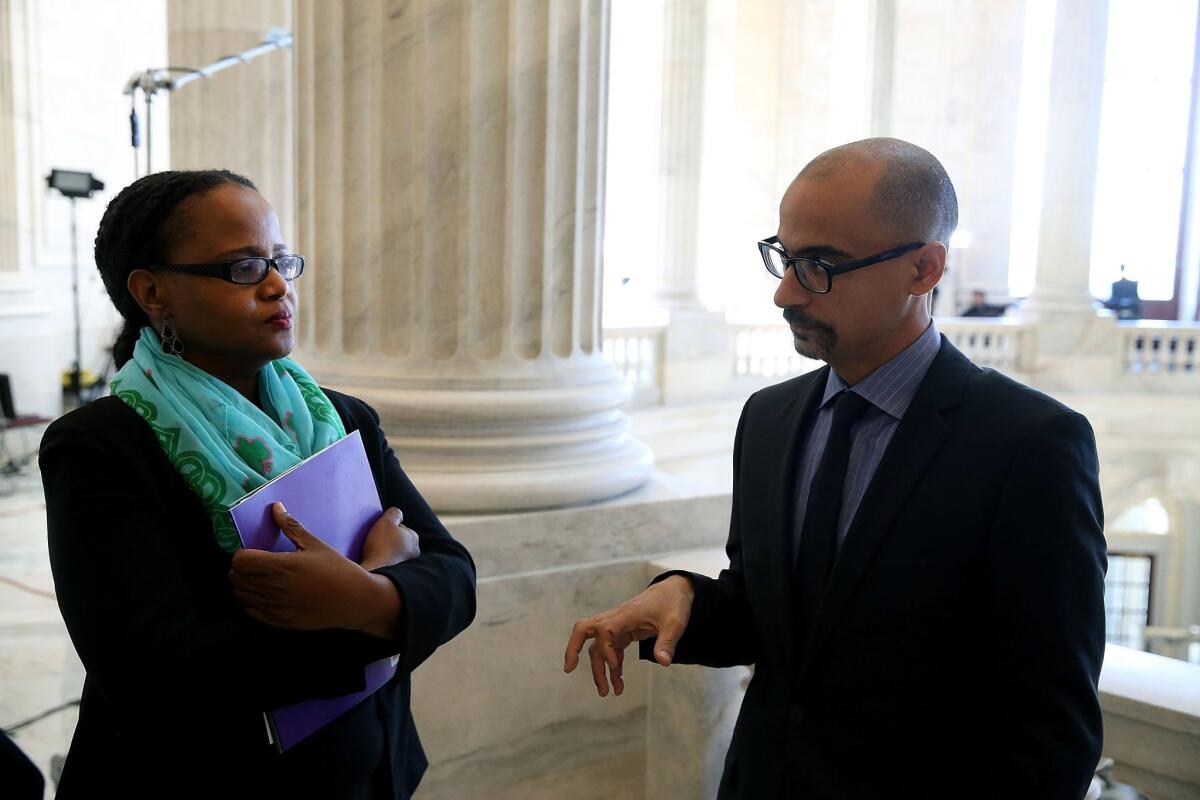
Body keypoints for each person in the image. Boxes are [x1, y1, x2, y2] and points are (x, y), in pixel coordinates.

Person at [564, 138, 1106, 799]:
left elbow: (1052, 733)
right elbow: (774, 620)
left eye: (821, 265)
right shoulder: (768, 419)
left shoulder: (1031, 444)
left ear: (924, 270)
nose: (785, 293)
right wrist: (685, 598)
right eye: (785, 258)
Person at [40, 169, 476, 798]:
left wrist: (369, 598)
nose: (278, 286)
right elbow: (154, 674)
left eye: (280, 261)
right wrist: (374, 603)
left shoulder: (343, 418)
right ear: (152, 291)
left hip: (371, 766)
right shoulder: (101, 446)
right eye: (243, 268)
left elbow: (455, 577)